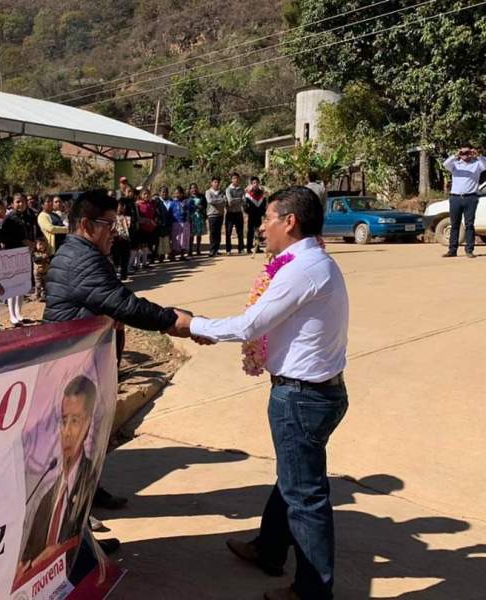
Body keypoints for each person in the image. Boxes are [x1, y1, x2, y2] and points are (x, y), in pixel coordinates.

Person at [181, 187, 349, 600]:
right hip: (319, 393)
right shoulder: (314, 261)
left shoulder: (301, 269)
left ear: (289, 222)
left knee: (305, 496)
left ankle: (312, 591)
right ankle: (269, 548)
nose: (260, 227)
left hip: (301, 398)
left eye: (267, 218)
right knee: (294, 477)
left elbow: (250, 325)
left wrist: (191, 324)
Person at [43, 189, 193, 552]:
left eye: (117, 223)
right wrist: (171, 320)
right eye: (109, 224)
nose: (116, 231)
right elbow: (121, 303)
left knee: (89, 442)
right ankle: (76, 545)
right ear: (85, 224)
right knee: (72, 450)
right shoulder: (81, 258)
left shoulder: (85, 253)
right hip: (73, 370)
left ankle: (87, 505)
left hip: (85, 364)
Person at [16, 376, 100, 580]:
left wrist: (60, 553)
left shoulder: (88, 476)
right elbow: (28, 556)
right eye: (64, 420)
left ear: (88, 423)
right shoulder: (48, 499)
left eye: (75, 421)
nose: (67, 432)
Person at [442, 144, 485, 259]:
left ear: (471, 152)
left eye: (467, 152)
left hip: (470, 198)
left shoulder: (477, 164)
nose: (465, 155)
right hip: (455, 198)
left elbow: (485, 165)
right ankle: (452, 250)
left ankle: (469, 250)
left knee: (469, 225)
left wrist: (478, 155)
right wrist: (456, 155)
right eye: (463, 153)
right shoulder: (455, 164)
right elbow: (445, 164)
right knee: (454, 224)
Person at [1, 193, 35, 326]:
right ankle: (12, 315)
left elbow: (33, 232)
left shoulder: (30, 216)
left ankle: (19, 312)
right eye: (17, 202)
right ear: (12, 203)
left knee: (22, 285)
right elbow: (5, 237)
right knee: (13, 286)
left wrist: (32, 243)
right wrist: (22, 241)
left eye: (22, 202)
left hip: (26, 254)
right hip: (13, 254)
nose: (20, 204)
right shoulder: (9, 218)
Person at [135, 188, 157, 269]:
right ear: (141, 195)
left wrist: (154, 221)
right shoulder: (138, 204)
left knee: (146, 247)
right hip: (141, 228)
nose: (146, 195)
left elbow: (154, 215)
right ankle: (137, 263)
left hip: (150, 228)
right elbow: (137, 217)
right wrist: (147, 220)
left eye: (147, 194)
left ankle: (144, 263)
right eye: (144, 194)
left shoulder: (151, 204)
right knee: (140, 247)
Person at [244, 177, 267, 253]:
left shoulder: (261, 193)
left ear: (258, 183)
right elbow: (245, 205)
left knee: (258, 232)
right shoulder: (248, 194)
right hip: (251, 215)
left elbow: (263, 204)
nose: (255, 184)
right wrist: (247, 212)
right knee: (250, 232)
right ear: (251, 184)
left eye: (257, 183)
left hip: (258, 215)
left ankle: (257, 248)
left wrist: (263, 213)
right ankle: (248, 248)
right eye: (254, 183)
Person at [225, 172, 246, 255]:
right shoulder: (228, 189)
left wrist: (236, 200)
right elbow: (230, 201)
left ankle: (241, 249)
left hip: (238, 213)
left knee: (240, 232)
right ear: (231, 179)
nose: (236, 180)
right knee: (228, 232)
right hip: (230, 213)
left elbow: (244, 201)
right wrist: (239, 199)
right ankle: (228, 250)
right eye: (234, 178)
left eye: (237, 178)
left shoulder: (241, 189)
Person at [169, 186, 191, 260]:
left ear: (182, 193)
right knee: (175, 239)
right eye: (175, 193)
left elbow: (189, 211)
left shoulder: (186, 202)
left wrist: (184, 207)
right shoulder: (172, 203)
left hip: (184, 223)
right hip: (175, 223)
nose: (177, 195)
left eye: (178, 193)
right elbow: (170, 213)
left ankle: (182, 255)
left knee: (183, 239)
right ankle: (173, 255)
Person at [206, 176, 225, 257]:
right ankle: (212, 250)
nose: (216, 184)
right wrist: (220, 200)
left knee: (218, 233)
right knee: (212, 233)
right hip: (212, 215)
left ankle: (216, 249)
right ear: (212, 183)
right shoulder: (208, 192)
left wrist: (216, 201)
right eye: (215, 182)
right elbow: (210, 201)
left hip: (220, 214)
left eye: (218, 182)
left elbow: (225, 201)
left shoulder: (221, 192)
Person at [152, 186, 172, 263]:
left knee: (167, 240)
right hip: (159, 224)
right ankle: (160, 255)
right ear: (159, 192)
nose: (164, 193)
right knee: (160, 240)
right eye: (163, 192)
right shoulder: (156, 201)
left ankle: (168, 254)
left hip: (168, 223)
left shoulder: (170, 201)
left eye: (166, 192)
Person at [188, 183, 206, 256]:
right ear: (190, 189)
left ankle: (198, 250)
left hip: (199, 217)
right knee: (191, 235)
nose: (194, 189)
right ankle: (190, 250)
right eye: (192, 188)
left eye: (195, 187)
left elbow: (205, 205)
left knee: (199, 234)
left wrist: (201, 208)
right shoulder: (188, 198)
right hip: (191, 218)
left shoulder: (202, 196)